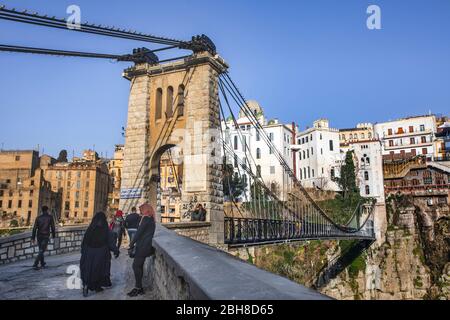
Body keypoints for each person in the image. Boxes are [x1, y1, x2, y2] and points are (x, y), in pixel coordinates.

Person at [80, 212, 120, 297]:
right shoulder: (106, 229)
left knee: (88, 270)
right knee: (99, 270)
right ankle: (97, 286)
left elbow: (84, 242)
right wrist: (116, 251)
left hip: (88, 253)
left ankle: (86, 285)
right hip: (101, 254)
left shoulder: (90, 229)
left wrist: (84, 253)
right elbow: (111, 243)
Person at [127, 203, 156, 297]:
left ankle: (138, 288)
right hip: (146, 246)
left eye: (141, 210)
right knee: (139, 266)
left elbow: (138, 233)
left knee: (135, 266)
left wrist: (131, 244)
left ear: (146, 210)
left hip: (142, 247)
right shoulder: (151, 219)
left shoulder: (146, 219)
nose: (140, 212)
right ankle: (140, 288)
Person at [31, 205, 56, 270]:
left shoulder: (38, 218)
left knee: (40, 249)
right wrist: (53, 235)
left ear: (42, 211)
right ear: (47, 210)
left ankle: (42, 263)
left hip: (39, 235)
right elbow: (53, 227)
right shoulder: (50, 217)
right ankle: (35, 263)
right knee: (42, 250)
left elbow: (34, 228)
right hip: (46, 235)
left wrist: (33, 238)